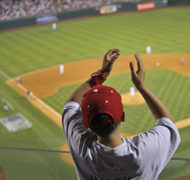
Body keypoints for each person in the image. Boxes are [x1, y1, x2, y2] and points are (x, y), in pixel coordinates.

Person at [62, 49, 181, 180]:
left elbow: (70, 105)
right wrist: (141, 86)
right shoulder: (145, 150)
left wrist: (101, 75)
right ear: (123, 116)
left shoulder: (80, 146)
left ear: (86, 123)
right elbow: (167, 122)